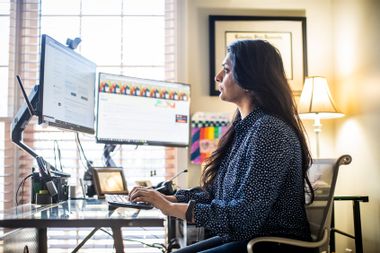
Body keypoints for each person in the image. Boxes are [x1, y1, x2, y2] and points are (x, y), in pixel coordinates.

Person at [129, 39, 316, 253]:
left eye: (226, 70)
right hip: (251, 239)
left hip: (271, 244)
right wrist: (166, 198)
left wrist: (171, 208)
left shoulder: (270, 130)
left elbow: (244, 217)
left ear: (249, 80)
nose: (217, 77)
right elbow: (215, 193)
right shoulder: (247, 127)